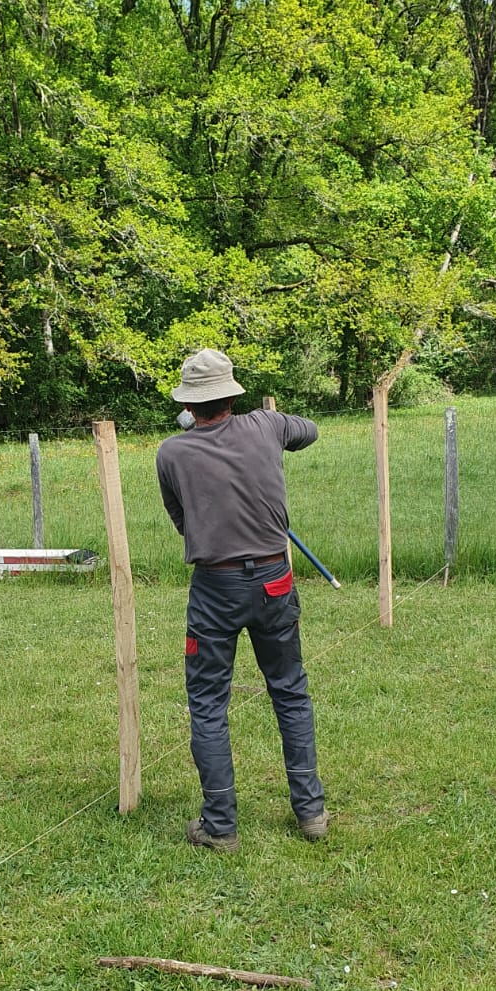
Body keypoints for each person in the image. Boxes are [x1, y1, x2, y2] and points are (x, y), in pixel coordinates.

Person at [156, 348, 327, 853]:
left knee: (208, 702)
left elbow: (181, 518)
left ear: (191, 404)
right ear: (231, 394)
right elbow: (309, 430)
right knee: (290, 691)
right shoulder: (266, 427)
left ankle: (220, 825)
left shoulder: (172, 452)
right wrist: (272, 421)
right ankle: (311, 811)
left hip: (216, 584)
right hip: (275, 577)